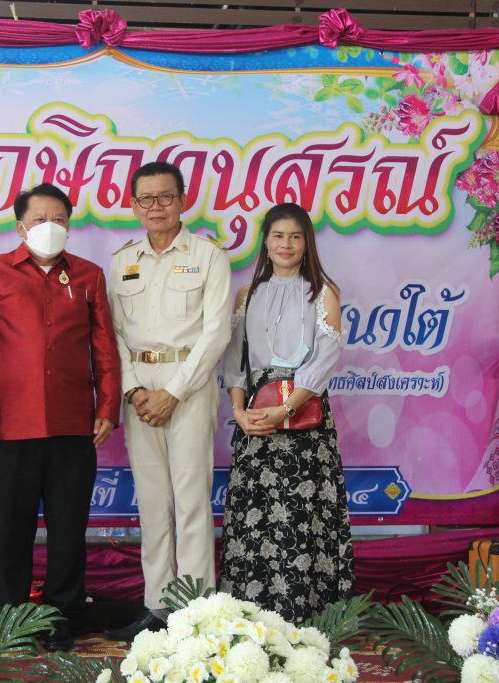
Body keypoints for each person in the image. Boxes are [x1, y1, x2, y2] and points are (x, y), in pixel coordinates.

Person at [0, 183, 121, 651]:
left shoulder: (89, 275)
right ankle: (13, 620)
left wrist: (107, 407)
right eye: (39, 220)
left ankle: (61, 618)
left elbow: (104, 349)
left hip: (75, 425)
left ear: (69, 226)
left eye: (59, 219)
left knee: (68, 529)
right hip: (10, 426)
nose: (49, 227)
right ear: (20, 227)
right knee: (13, 529)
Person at [106, 161, 232, 640]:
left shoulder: (208, 256)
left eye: (165, 197)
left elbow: (216, 333)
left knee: (192, 500)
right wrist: (135, 390)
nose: (155, 206)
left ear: (183, 200)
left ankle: (196, 612)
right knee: (153, 502)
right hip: (139, 389)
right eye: (146, 198)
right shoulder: (122, 260)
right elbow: (113, 334)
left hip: (189, 387)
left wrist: (173, 392)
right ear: (133, 204)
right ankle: (157, 607)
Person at [218, 202, 354, 622]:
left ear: (307, 242)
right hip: (255, 421)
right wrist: (239, 411)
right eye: (278, 235)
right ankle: (250, 613)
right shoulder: (246, 294)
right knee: (254, 516)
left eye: (295, 236)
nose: (286, 244)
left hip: (304, 421)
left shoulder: (324, 292)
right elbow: (235, 360)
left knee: (301, 516)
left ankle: (306, 615)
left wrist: (286, 408)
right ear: (265, 241)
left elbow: (325, 358)